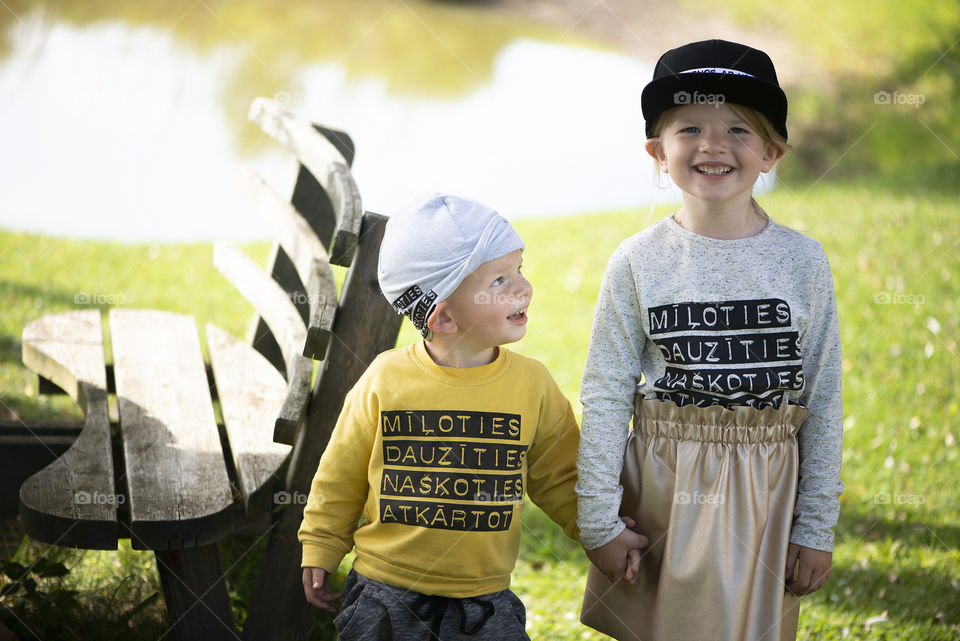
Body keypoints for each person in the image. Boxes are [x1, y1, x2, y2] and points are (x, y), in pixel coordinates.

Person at [576, 39, 843, 641]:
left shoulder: (802, 262)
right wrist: (598, 521)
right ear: (657, 152)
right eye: (690, 127)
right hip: (664, 492)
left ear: (772, 152)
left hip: (766, 492)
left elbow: (823, 398)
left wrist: (815, 526)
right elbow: (606, 392)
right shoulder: (637, 261)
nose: (713, 145)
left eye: (739, 130)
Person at [298, 194, 587, 640]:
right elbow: (340, 473)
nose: (523, 288)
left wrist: (599, 532)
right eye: (499, 280)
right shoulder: (386, 379)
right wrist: (321, 544)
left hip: (486, 602)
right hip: (384, 594)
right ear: (443, 316)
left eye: (519, 270)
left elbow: (561, 475)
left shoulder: (532, 385)